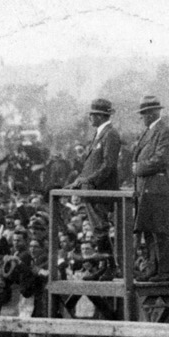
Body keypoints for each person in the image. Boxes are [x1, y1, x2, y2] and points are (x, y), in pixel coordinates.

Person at [130, 94, 169, 280]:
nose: (142, 117)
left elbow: (161, 159)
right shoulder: (149, 132)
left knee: (160, 231)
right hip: (146, 189)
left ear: (151, 114)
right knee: (149, 230)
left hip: (157, 188)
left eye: (144, 113)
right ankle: (153, 268)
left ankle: (164, 270)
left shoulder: (164, 131)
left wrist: (139, 168)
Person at [66, 98, 122, 237]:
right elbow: (92, 164)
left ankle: (108, 258)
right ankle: (105, 257)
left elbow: (108, 165)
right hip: (93, 190)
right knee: (98, 229)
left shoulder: (110, 134)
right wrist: (80, 180)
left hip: (101, 190)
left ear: (100, 116)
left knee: (101, 229)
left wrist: (88, 180)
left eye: (91, 114)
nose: (89, 117)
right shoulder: (98, 134)